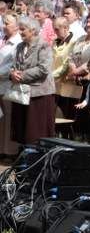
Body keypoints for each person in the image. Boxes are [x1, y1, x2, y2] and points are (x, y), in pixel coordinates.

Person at [11, 16, 56, 145]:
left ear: (32, 30)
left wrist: (22, 75)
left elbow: (43, 69)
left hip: (39, 94)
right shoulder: (20, 46)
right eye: (19, 29)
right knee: (22, 129)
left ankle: (37, 155)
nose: (20, 32)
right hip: (22, 94)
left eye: (23, 29)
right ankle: (24, 153)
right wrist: (12, 74)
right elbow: (14, 66)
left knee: (35, 131)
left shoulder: (43, 46)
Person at [51, 17, 81, 136]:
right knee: (54, 117)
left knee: (64, 117)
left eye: (57, 29)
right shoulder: (55, 41)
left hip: (67, 85)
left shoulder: (74, 42)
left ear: (66, 28)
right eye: (54, 29)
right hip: (54, 84)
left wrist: (51, 76)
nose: (55, 32)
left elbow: (66, 64)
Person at [0, 14, 21, 157]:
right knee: (1, 119)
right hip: (0, 84)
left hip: (8, 85)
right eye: (3, 22)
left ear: (16, 26)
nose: (4, 26)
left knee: (9, 118)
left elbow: (13, 65)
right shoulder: (3, 40)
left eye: (7, 23)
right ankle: (1, 149)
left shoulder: (18, 43)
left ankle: (10, 151)